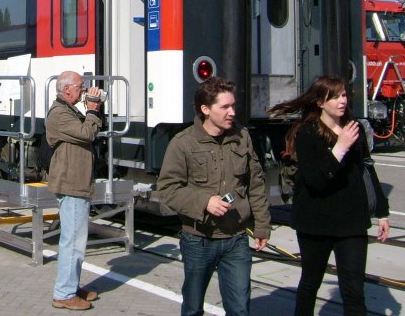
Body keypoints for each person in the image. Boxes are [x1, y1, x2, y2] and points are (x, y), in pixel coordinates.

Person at [268, 75, 390, 316]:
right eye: (334, 97)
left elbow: (367, 167)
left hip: (352, 222)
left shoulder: (353, 127)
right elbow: (315, 181)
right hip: (316, 222)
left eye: (343, 95)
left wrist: (382, 212)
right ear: (320, 103)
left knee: (354, 290)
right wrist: (340, 147)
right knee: (311, 283)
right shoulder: (307, 133)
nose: (341, 101)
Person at [157, 77, 271, 316]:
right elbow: (167, 188)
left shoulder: (242, 137)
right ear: (206, 110)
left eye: (233, 106)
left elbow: (256, 183)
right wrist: (204, 202)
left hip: (236, 238)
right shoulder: (183, 143)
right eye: (225, 107)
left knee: (239, 309)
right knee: (193, 308)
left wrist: (262, 226)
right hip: (199, 239)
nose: (232, 112)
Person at [46, 71, 103, 311]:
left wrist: (91, 110)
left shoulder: (68, 110)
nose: (84, 90)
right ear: (66, 89)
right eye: (80, 86)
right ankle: (64, 293)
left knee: (77, 238)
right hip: (71, 183)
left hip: (76, 181)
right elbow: (87, 133)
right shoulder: (60, 114)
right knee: (73, 240)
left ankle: (71, 285)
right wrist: (92, 109)